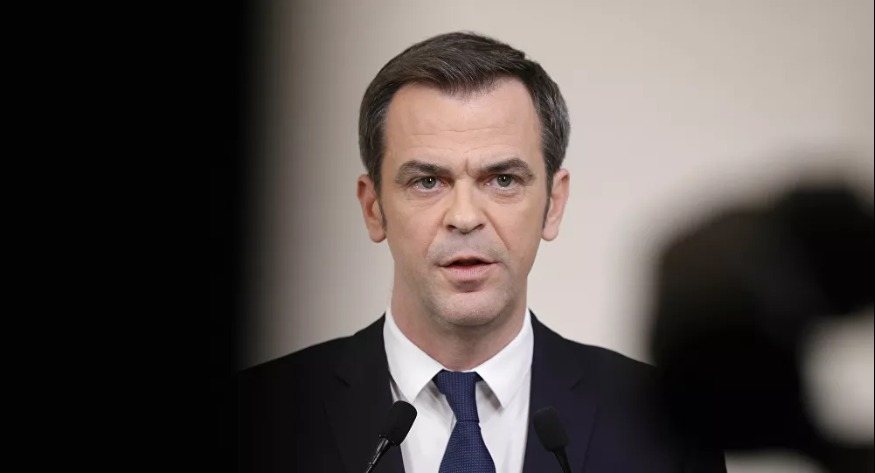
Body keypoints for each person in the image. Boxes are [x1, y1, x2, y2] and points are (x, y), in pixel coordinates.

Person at [238, 31, 726, 473]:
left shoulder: (665, 423)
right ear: (374, 209)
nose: (465, 216)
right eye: (427, 181)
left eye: (503, 179)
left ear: (553, 204)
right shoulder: (258, 416)